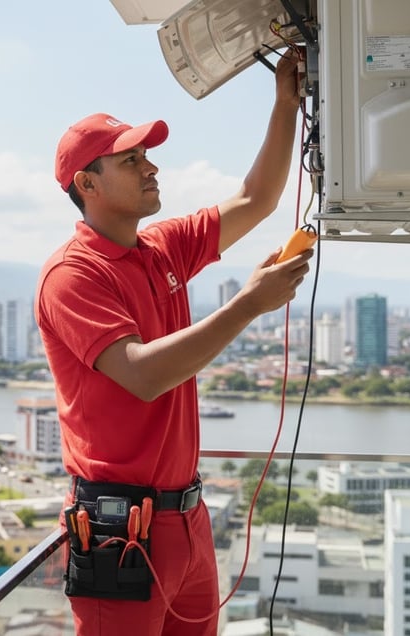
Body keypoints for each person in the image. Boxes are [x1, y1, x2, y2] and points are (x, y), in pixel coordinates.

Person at [34, 50, 312, 636]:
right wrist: (248, 304)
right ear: (87, 183)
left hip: (187, 519)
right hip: (120, 531)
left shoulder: (159, 249)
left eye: (147, 156)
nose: (150, 168)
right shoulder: (72, 275)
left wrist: (285, 105)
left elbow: (255, 201)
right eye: (131, 160)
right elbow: (142, 374)